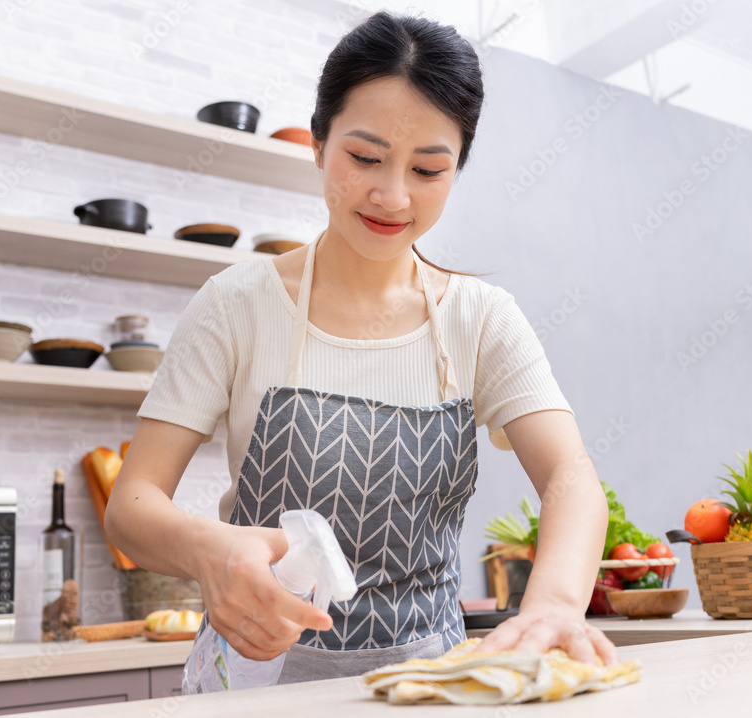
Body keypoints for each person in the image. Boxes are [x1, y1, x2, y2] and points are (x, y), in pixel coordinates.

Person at [105, 11, 617, 687]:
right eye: (365, 158)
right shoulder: (235, 304)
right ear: (318, 144)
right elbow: (132, 505)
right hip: (255, 687)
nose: (392, 195)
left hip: (428, 689)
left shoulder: (481, 319)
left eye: (429, 169)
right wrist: (210, 549)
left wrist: (554, 604)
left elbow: (570, 479)